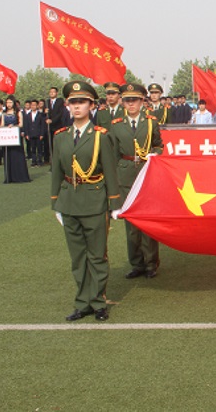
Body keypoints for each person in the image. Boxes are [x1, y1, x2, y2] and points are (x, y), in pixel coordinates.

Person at [51, 81, 120, 322]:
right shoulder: (60, 136)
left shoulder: (101, 136)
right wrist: (55, 202)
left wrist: (114, 203)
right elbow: (57, 171)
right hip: (69, 202)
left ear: (92, 105)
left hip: (94, 201)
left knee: (97, 255)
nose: (77, 106)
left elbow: (110, 171)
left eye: (82, 102)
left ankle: (98, 301)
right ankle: (83, 302)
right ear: (67, 105)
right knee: (78, 257)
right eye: (73, 102)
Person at [110, 83, 163, 279]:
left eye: (135, 100)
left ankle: (151, 263)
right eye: (127, 100)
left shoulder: (150, 122)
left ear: (142, 102)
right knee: (131, 223)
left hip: (146, 173)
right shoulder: (116, 125)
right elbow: (113, 153)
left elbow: (159, 145)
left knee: (147, 220)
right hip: (125, 174)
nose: (131, 104)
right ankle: (137, 263)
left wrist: (154, 154)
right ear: (122, 102)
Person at [0, 97, 31, 183]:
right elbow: (2, 124)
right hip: (7, 137)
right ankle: (9, 177)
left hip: (15, 136)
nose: (8, 104)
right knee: (8, 156)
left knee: (17, 155)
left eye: (10, 102)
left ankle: (20, 176)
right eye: (7, 103)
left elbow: (21, 124)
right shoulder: (4, 113)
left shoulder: (18, 112)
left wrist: (13, 126)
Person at [44, 86, 66, 163]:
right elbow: (43, 115)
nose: (51, 93)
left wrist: (52, 120)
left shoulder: (60, 101)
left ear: (56, 93)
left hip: (58, 125)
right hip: (49, 127)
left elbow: (60, 113)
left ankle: (60, 159)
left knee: (58, 143)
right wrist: (45, 112)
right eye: (50, 92)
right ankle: (52, 159)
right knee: (50, 144)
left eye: (53, 92)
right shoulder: (47, 102)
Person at [24, 99, 46, 166]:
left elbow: (42, 125)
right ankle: (34, 161)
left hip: (38, 134)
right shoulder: (28, 115)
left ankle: (40, 161)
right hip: (31, 134)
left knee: (39, 148)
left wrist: (42, 134)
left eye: (34, 105)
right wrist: (27, 134)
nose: (33, 106)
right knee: (32, 149)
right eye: (32, 105)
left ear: (37, 106)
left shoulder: (40, 115)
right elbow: (26, 125)